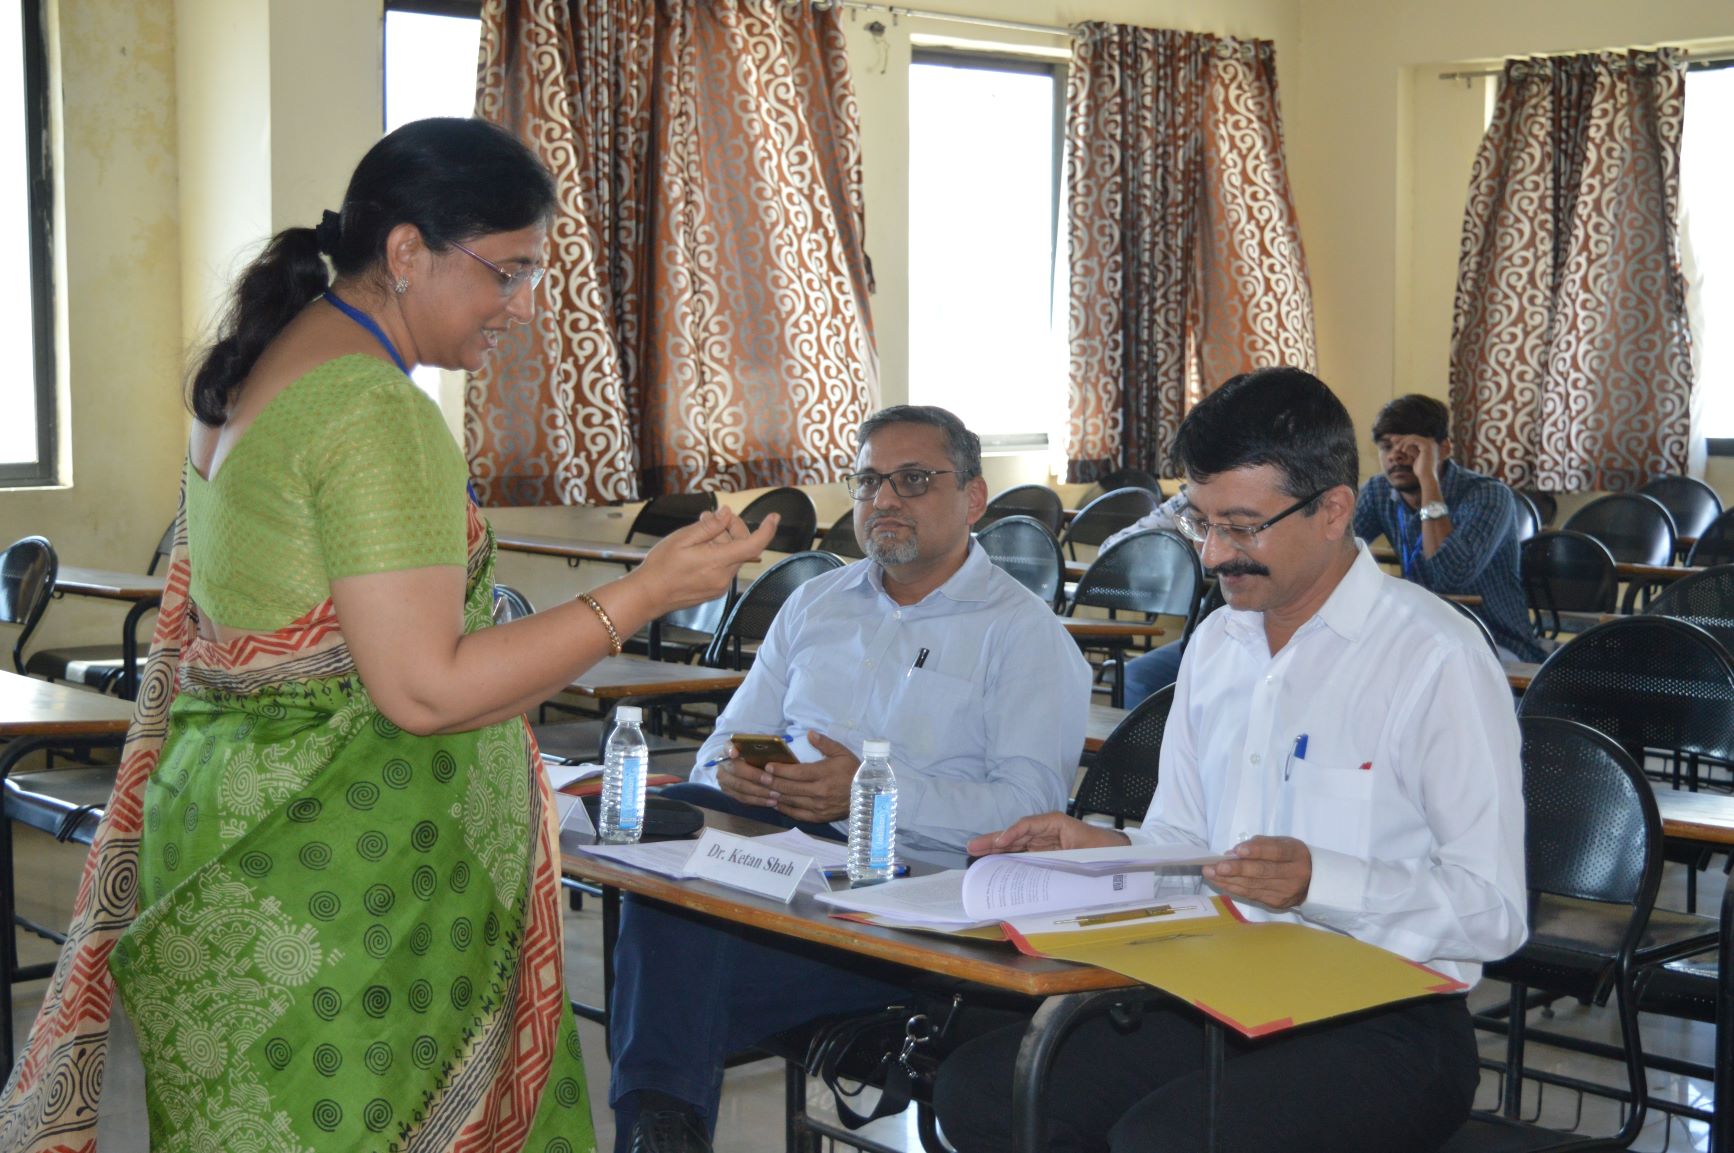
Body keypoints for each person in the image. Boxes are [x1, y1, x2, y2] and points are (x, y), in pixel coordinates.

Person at [0, 118, 777, 1153]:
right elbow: (423, 691)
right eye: (507, 270)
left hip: (237, 835)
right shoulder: (373, 411)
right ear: (407, 250)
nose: (522, 305)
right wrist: (645, 593)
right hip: (342, 883)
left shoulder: (256, 370)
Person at [931, 368, 1527, 1153]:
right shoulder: (1218, 644)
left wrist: (1320, 881)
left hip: (1386, 1015)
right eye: (1201, 521)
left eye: (1242, 527)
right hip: (1219, 985)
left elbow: (1494, 911)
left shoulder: (1434, 656)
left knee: (1165, 1141)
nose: (1214, 553)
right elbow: (1185, 846)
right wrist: (1098, 848)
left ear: (1333, 511)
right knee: (983, 1091)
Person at [610, 405, 1093, 1153]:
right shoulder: (816, 601)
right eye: (869, 481)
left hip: (909, 910)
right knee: (684, 832)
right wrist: (742, 775)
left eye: (913, 479)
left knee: (669, 960)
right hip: (782, 873)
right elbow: (717, 751)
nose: (885, 499)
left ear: (972, 497)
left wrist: (870, 795)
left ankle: (659, 1125)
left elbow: (1029, 813)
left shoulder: (1024, 634)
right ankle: (663, 1126)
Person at [1353, 393, 1546, 661]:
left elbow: (1449, 577)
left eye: (1411, 447)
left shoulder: (1489, 495)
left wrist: (1428, 480)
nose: (1396, 455)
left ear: (1443, 449)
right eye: (1386, 447)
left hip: (1493, 641)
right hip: (1423, 636)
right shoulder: (1378, 491)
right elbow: (1333, 547)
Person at [1097, 490, 1192, 702]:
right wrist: (1174, 554)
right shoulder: (1191, 499)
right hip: (1206, 638)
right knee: (1134, 677)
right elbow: (1111, 547)